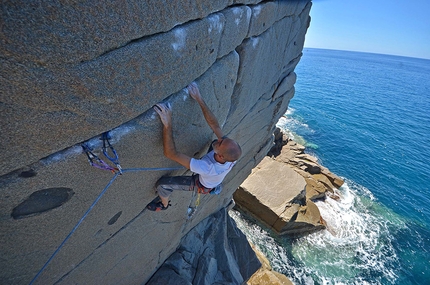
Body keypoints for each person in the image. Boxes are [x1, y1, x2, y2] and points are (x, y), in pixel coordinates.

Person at [146, 82, 242, 211]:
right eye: (223, 139)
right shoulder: (231, 154)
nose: (220, 139)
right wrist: (199, 98)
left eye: (220, 143)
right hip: (212, 177)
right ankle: (214, 185)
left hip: (202, 184)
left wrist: (167, 124)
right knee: (214, 141)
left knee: (162, 184)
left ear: (220, 155)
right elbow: (215, 125)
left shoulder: (207, 167)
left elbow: (171, 154)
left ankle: (163, 205)